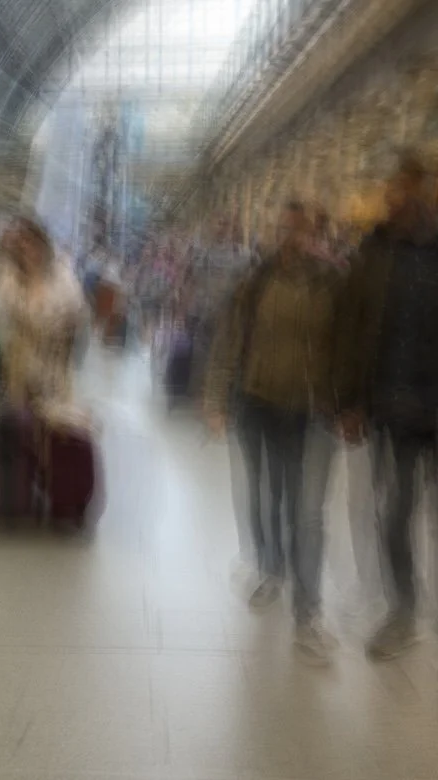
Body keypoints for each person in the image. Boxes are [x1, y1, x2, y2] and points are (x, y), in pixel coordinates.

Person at [204, 201, 346, 664]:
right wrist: (216, 397)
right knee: (267, 494)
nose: (292, 239)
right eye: (285, 229)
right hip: (258, 402)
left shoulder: (335, 283)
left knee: (307, 512)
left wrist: (351, 401)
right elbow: (230, 338)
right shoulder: (254, 280)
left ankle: (309, 615)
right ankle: (270, 567)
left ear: (320, 235)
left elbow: (355, 343)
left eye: (304, 231)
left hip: (314, 411)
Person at [336, 153, 438, 661]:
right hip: (394, 410)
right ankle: (403, 609)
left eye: (410, 186)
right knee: (394, 514)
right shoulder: (373, 252)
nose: (399, 196)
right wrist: (350, 402)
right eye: (395, 187)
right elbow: (351, 329)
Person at [0, 215, 86, 407]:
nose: (26, 248)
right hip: (19, 371)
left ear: (43, 242)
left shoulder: (63, 277)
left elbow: (77, 319)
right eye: (20, 243)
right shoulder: (10, 280)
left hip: (54, 373)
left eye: (31, 241)